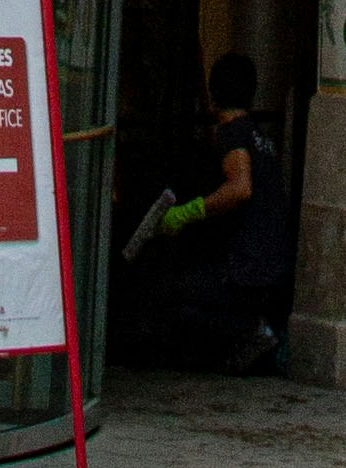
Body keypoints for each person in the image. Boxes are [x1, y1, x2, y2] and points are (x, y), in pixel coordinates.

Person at [117, 48, 292, 370]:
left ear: (213, 94)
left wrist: (188, 212)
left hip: (247, 270)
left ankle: (249, 332)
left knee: (168, 297)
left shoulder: (232, 133)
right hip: (269, 263)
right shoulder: (258, 136)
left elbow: (240, 188)